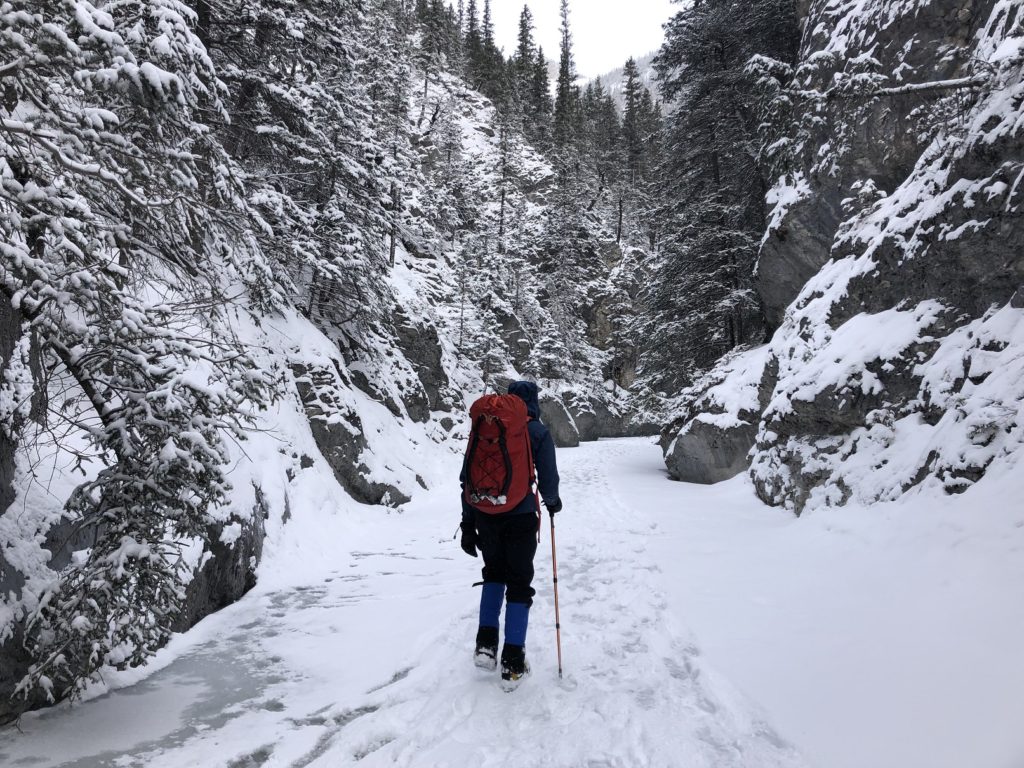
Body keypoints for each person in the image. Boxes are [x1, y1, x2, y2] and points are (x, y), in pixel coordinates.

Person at [459, 380, 561, 685]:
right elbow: (549, 477)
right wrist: (553, 503)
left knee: (493, 573)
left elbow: (467, 478)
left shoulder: (485, 428)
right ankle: (513, 661)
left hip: (485, 514)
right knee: (519, 583)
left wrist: (467, 523)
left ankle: (485, 646)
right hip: (521, 517)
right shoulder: (537, 432)